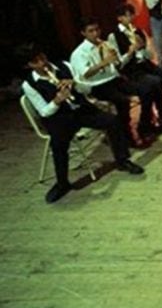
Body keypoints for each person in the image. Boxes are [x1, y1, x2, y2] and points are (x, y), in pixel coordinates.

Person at [21, 47, 143, 203]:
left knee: (112, 121)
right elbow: (44, 112)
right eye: (36, 62)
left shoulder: (64, 66)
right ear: (29, 65)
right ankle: (62, 183)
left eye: (42, 57)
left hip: (81, 110)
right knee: (58, 144)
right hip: (59, 117)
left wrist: (75, 84)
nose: (43, 63)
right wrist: (57, 101)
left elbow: (87, 89)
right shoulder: (29, 85)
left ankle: (122, 160)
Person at [70, 17, 145, 147]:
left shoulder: (105, 44)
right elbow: (85, 74)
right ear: (83, 33)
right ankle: (126, 135)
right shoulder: (79, 53)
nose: (95, 34)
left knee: (146, 89)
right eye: (91, 31)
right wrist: (104, 62)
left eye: (97, 30)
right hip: (98, 85)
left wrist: (125, 55)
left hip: (114, 79)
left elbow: (118, 65)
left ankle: (144, 126)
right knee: (122, 101)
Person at [108, 3, 162, 138]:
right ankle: (146, 123)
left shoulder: (138, 31)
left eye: (131, 15)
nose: (130, 18)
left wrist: (143, 48)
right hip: (130, 70)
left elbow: (150, 55)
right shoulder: (114, 36)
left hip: (144, 64)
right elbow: (117, 64)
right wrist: (130, 52)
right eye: (126, 16)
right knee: (152, 83)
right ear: (119, 18)